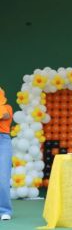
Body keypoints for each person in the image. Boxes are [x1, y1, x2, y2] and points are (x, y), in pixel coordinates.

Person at [0, 87, 13, 221]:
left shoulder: (7, 108)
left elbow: (5, 116)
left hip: (3, 141)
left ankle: (4, 210)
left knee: (3, 179)